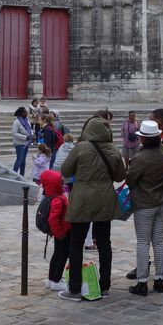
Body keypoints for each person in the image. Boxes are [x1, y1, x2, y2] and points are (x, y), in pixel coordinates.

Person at [59, 116, 126, 301]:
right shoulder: (112, 149)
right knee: (104, 243)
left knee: (76, 242)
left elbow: (65, 171)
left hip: (82, 198)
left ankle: (74, 288)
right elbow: (120, 175)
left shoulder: (80, 148)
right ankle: (105, 286)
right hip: (104, 197)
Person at [125, 120, 163, 295]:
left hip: (144, 204)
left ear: (143, 139)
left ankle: (143, 281)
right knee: (159, 241)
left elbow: (130, 180)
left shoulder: (140, 157)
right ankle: (160, 279)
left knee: (143, 243)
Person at [38, 169, 71, 292]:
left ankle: (51, 279)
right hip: (63, 233)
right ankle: (56, 280)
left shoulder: (54, 196)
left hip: (60, 232)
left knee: (57, 254)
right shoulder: (57, 199)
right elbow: (53, 219)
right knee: (62, 255)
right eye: (60, 181)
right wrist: (60, 234)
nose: (62, 182)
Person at [11, 107, 35, 176]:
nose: (26, 113)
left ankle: (22, 174)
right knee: (19, 159)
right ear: (21, 113)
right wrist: (25, 137)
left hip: (26, 143)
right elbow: (14, 133)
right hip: (19, 143)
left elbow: (30, 129)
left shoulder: (27, 120)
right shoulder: (17, 122)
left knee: (23, 160)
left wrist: (32, 135)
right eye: (25, 112)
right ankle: (14, 174)